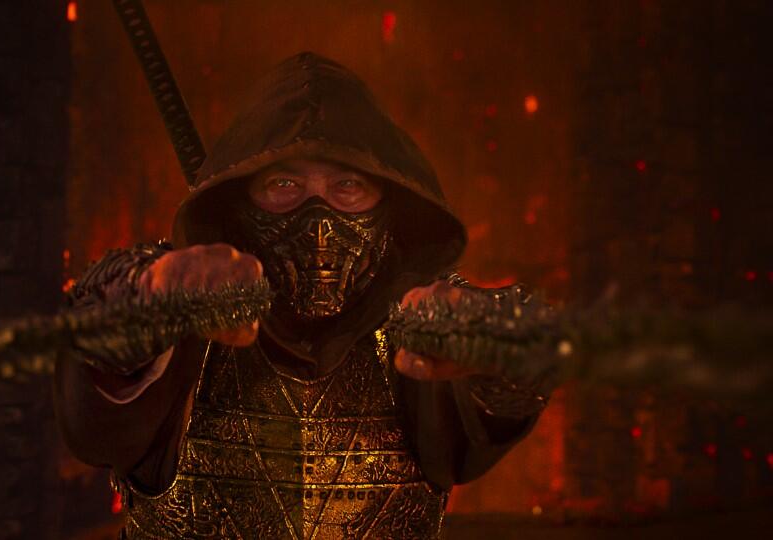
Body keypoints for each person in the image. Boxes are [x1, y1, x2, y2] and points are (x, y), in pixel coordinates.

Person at [55, 52, 553, 539]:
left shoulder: (417, 330)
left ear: (390, 206)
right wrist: (148, 297)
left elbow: (526, 359)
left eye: (348, 186)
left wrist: (499, 345)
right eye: (284, 184)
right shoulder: (183, 321)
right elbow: (94, 388)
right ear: (240, 202)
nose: (318, 224)